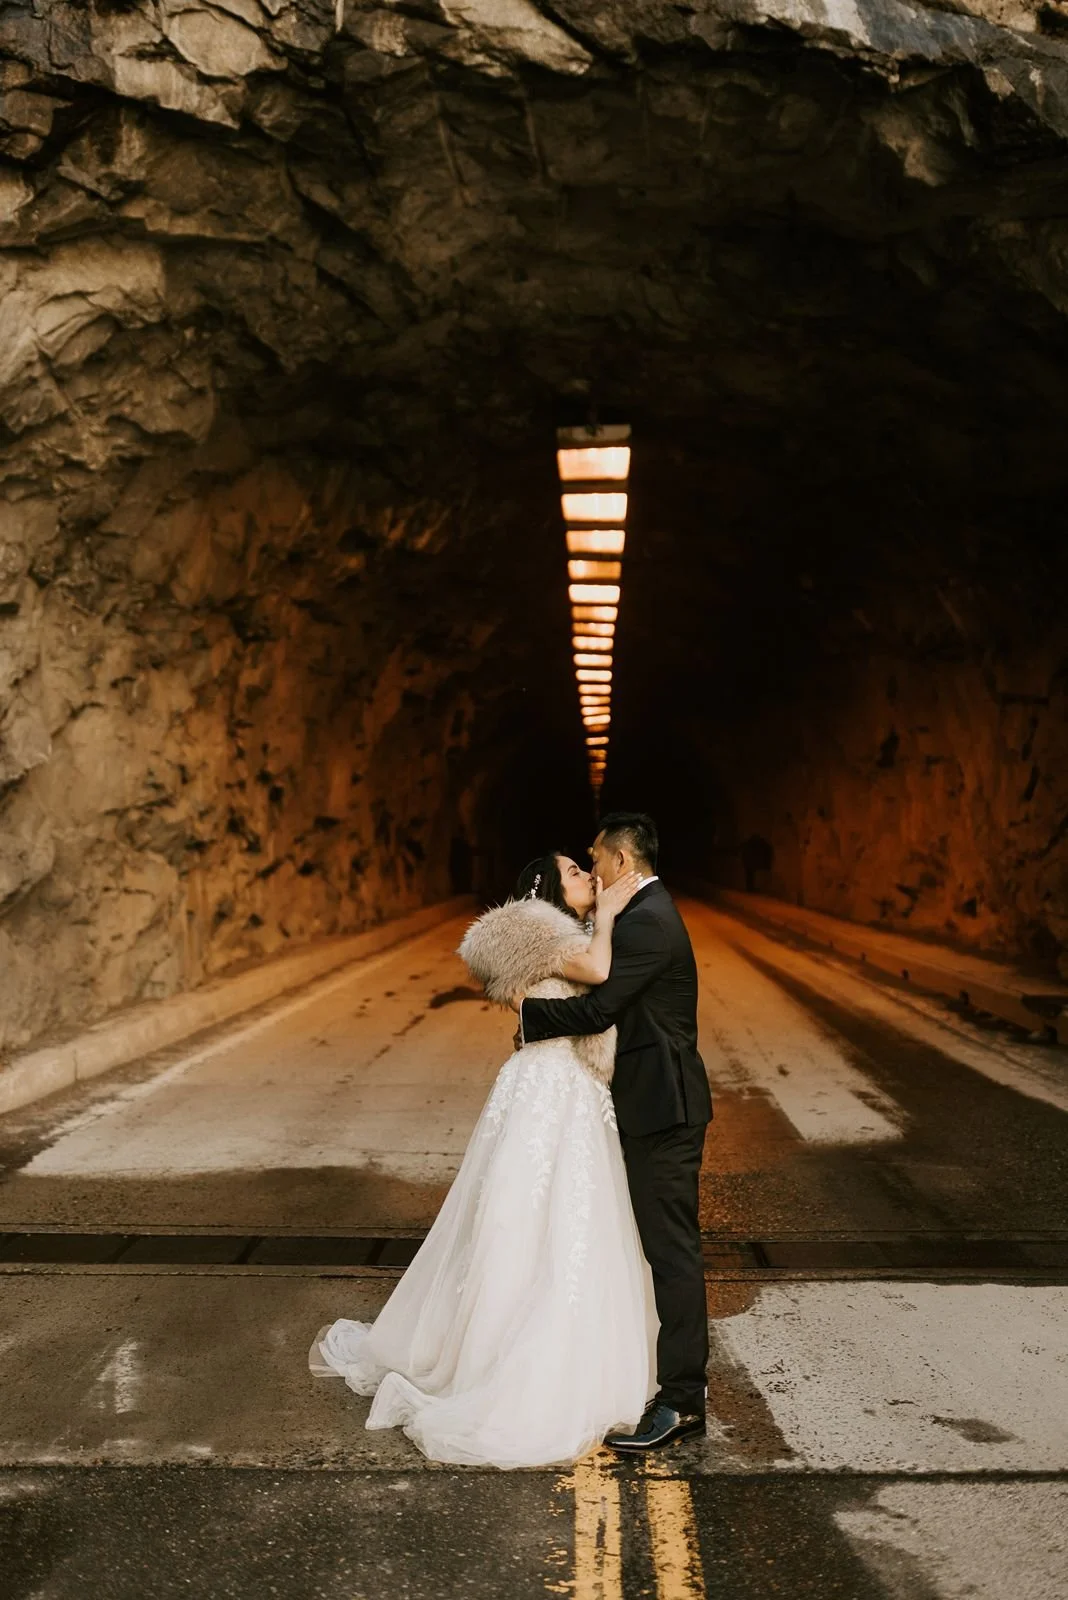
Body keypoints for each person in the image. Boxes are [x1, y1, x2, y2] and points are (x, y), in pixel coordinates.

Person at [309, 853, 654, 1469]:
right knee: (519, 1222)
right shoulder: (536, 929)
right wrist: (607, 914)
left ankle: (551, 1348)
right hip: (548, 1088)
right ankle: (506, 1363)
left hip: (565, 1088)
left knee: (568, 1222)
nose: (587, 877)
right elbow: (600, 970)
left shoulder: (550, 933)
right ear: (546, 887)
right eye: (575, 871)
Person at [517, 812, 712, 1452]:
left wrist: (527, 1017)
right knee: (656, 1247)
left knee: (672, 1252)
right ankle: (666, 1386)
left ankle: (682, 1402)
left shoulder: (649, 924)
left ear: (621, 863)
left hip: (666, 1108)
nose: (591, 868)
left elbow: (602, 1007)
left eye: (595, 858)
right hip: (649, 1103)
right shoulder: (641, 915)